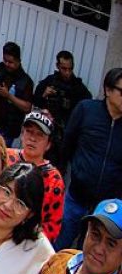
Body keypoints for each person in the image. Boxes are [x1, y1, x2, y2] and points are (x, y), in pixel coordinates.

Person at [55, 67, 122, 249]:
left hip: (105, 210)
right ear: (108, 90)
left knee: (88, 253)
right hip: (76, 197)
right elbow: (67, 145)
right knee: (58, 246)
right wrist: (60, 178)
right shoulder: (87, 110)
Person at [7, 111, 63, 242]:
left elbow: (51, 227)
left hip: (25, 241)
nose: (32, 138)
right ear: (21, 134)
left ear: (48, 144)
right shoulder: (5, 157)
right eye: (29, 131)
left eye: (40, 135)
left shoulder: (54, 179)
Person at [34, 51, 93, 166]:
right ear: (57, 66)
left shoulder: (77, 87)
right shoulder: (50, 81)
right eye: (64, 68)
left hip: (64, 137)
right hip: (46, 133)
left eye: (70, 69)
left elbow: (87, 107)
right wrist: (44, 94)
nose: (67, 72)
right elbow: (36, 102)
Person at [0, 42, 34, 145]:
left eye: (10, 62)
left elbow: (27, 107)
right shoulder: (0, 68)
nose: (7, 64)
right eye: (5, 60)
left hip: (8, 128)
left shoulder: (26, 81)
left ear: (18, 61)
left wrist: (8, 96)